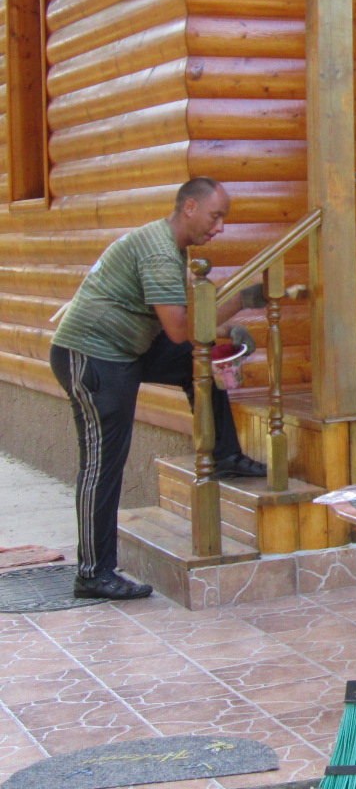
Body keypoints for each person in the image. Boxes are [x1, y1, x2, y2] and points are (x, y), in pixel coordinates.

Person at [50, 177, 267, 600]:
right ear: (189, 207)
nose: (219, 227)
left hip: (125, 351)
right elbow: (182, 327)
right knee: (102, 464)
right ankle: (93, 574)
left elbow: (186, 328)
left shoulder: (170, 247)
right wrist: (242, 299)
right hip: (92, 356)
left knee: (197, 359)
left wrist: (224, 334)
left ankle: (225, 454)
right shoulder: (159, 252)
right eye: (215, 215)